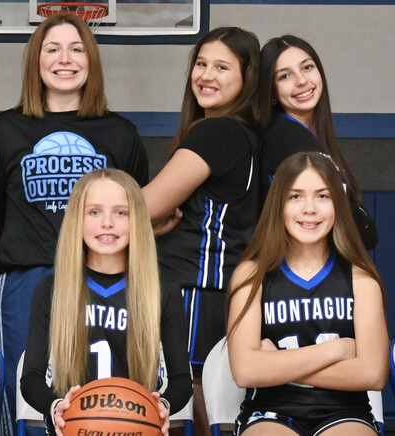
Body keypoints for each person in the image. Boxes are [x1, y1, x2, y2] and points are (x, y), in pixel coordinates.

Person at [0, 13, 149, 436]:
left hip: (105, 280)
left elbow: (136, 215)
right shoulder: (3, 131)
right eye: (52, 49)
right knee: (26, 391)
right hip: (27, 278)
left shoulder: (121, 133)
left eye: (76, 49)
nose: (64, 59)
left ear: (92, 61)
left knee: (99, 393)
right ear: (36, 60)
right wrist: (19, 263)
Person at [140, 26, 260, 435]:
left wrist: (139, 222)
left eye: (222, 67)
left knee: (190, 392)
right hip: (212, 288)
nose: (207, 75)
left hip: (195, 288)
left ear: (247, 78)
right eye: (201, 64)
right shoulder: (240, 133)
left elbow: (141, 207)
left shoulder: (218, 131)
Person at [226, 152, 388, 436]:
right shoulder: (251, 275)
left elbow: (372, 374)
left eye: (323, 196)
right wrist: (336, 350)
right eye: (295, 196)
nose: (310, 208)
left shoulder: (361, 279)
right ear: (278, 204)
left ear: (338, 204)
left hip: (346, 412)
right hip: (269, 412)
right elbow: (246, 371)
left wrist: (277, 364)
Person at [20, 169, 192, 436]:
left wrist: (161, 406)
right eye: (94, 212)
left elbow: (182, 380)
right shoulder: (52, 290)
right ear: (76, 220)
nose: (107, 223)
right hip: (73, 430)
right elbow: (31, 377)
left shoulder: (162, 291)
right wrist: (57, 407)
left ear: (137, 220)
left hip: (136, 429)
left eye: (121, 212)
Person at [256, 35, 376, 250]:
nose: (301, 81)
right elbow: (357, 230)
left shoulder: (309, 134)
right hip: (298, 264)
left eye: (307, 67)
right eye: (285, 76)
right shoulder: (287, 137)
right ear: (271, 91)